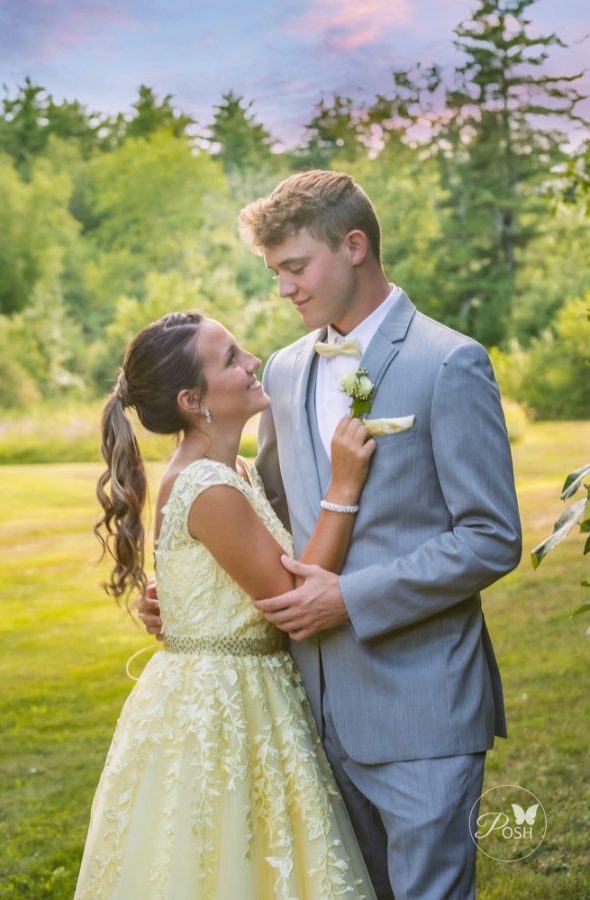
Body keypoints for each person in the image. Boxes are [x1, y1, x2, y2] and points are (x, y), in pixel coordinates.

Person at [139, 170, 522, 899]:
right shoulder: (282, 371)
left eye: (294, 266)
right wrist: (188, 596)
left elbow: (490, 536)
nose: (283, 288)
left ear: (353, 246)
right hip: (304, 716)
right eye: (273, 271)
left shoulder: (450, 363)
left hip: (421, 708)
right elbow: (267, 509)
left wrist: (352, 597)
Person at [75, 311, 378, 899]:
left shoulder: (231, 469)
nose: (252, 362)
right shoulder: (207, 487)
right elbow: (292, 597)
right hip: (222, 705)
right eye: (232, 358)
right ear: (194, 400)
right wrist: (343, 487)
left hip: (243, 687)